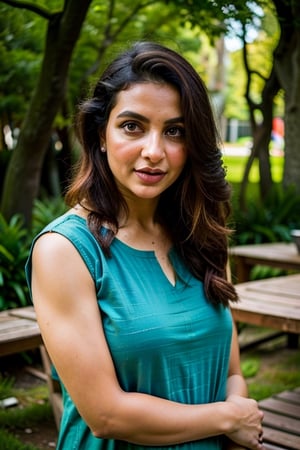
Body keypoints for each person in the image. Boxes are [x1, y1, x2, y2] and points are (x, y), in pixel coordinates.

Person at [25, 41, 264, 450]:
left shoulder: (203, 235)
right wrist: (229, 417)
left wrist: (239, 414)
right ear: (100, 135)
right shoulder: (64, 251)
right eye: (132, 126)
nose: (154, 152)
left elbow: (230, 371)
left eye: (175, 131)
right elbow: (105, 414)